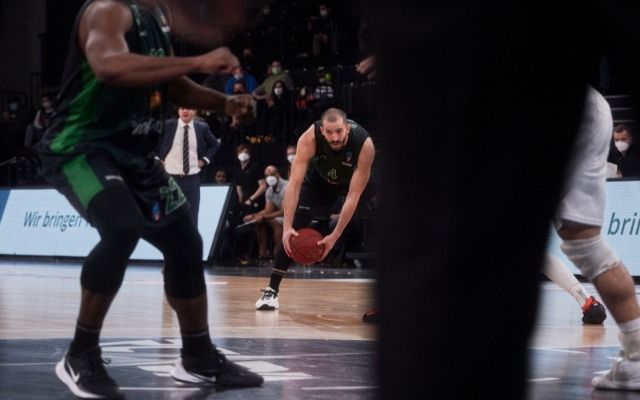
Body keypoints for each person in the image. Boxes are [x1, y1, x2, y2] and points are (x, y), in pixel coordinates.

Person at [37, 1, 263, 398]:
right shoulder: (109, 9)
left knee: (185, 243)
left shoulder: (158, 16)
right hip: (82, 147)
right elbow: (108, 66)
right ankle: (80, 354)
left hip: (136, 156)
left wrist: (224, 103)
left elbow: (171, 86)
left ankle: (198, 358)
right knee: (122, 228)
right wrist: (199, 61)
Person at [255, 108, 375, 310]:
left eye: (339, 131)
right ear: (322, 131)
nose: (334, 137)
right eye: (329, 132)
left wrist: (335, 235)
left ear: (347, 128)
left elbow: (352, 196)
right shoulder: (309, 138)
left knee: (380, 218)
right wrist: (287, 227)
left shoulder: (364, 145)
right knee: (295, 226)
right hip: (319, 181)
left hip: (350, 183)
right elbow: (293, 185)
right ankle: (271, 291)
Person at [157, 106, 219, 225]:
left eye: (189, 108)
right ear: (178, 111)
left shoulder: (201, 127)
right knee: (170, 218)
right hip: (171, 178)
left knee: (192, 217)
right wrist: (157, 159)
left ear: (194, 111)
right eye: (182, 108)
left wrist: (205, 160)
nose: (185, 111)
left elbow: (215, 145)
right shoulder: (168, 125)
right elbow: (151, 141)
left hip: (192, 178)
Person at [242, 165, 288, 262]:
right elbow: (268, 210)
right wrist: (254, 216)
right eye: (267, 176)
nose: (270, 177)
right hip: (281, 215)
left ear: (278, 174)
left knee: (276, 221)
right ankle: (262, 254)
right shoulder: (269, 191)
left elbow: (284, 211)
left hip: (294, 215)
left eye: (272, 174)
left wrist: (262, 216)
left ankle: (279, 252)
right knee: (259, 222)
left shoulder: (286, 187)